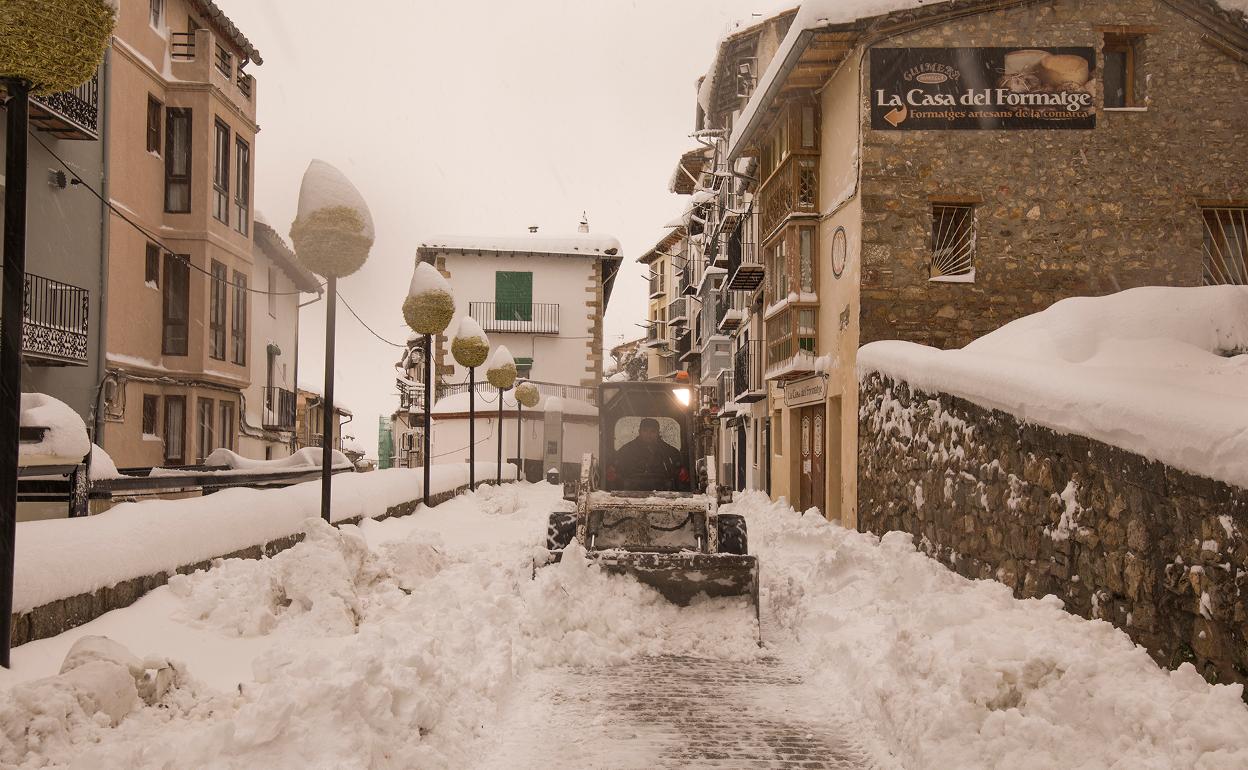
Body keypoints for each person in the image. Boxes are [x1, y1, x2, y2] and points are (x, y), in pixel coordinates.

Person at [611, 417, 688, 491]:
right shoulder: (626, 451)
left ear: (658, 433)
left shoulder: (670, 452)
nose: (648, 434)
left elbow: (680, 474)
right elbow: (616, 472)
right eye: (645, 431)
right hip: (630, 493)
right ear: (639, 432)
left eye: (652, 431)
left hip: (664, 493)